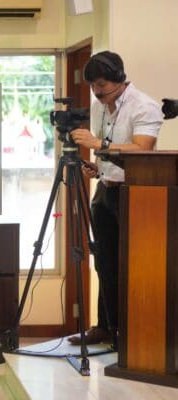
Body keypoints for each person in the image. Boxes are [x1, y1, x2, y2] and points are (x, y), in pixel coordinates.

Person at [68, 51, 163, 345]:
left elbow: (143, 148)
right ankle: (106, 327)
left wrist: (97, 143)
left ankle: (133, 332)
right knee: (104, 262)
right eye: (93, 86)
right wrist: (98, 166)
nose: (96, 93)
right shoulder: (100, 106)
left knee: (131, 264)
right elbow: (112, 152)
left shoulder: (143, 106)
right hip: (105, 189)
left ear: (119, 79)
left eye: (101, 85)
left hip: (134, 194)